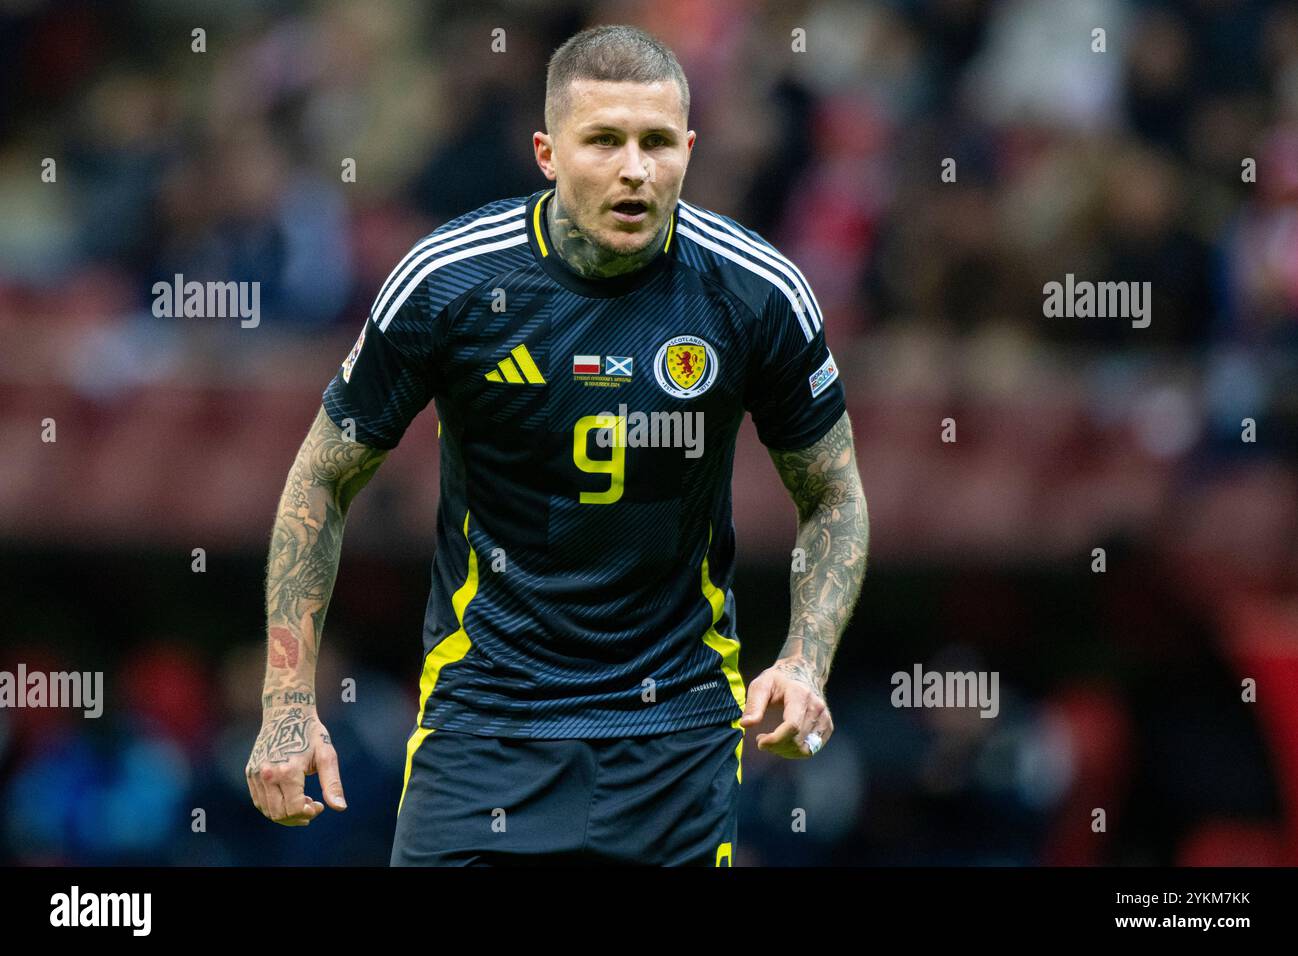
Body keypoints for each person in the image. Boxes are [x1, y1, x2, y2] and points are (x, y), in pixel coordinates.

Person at [246, 23, 868, 866]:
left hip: (676, 731)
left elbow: (833, 492)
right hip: (484, 723)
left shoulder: (756, 291)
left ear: (689, 148)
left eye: (657, 143)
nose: (634, 170)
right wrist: (288, 704)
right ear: (546, 151)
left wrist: (803, 661)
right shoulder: (451, 282)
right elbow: (321, 479)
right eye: (603, 141)